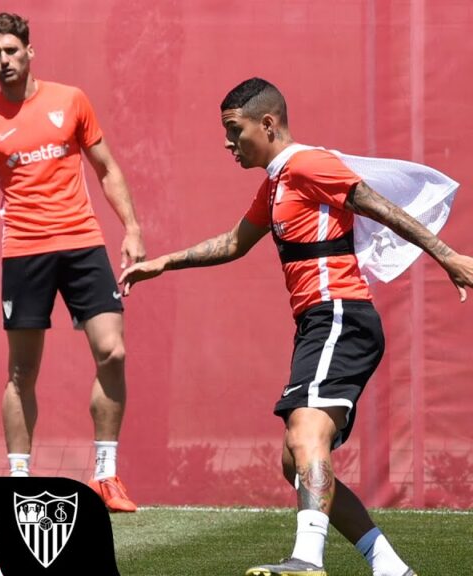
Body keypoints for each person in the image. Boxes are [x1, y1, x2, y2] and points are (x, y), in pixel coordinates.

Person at [121, 77, 473, 576]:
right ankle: (391, 567)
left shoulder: (309, 164)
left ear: (267, 124)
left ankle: (307, 558)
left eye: (235, 129)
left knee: (306, 429)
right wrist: (163, 263)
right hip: (319, 323)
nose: (228, 142)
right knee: (297, 460)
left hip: (339, 314)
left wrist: (447, 256)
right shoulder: (275, 184)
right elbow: (234, 243)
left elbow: (379, 206)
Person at [0, 12, 145, 512]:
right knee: (21, 373)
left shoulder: (70, 100)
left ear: (29, 51)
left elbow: (106, 168)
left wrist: (132, 228)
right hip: (24, 252)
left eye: (11, 51)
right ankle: (18, 479)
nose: (3, 61)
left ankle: (106, 473)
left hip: (82, 243)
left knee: (113, 352)